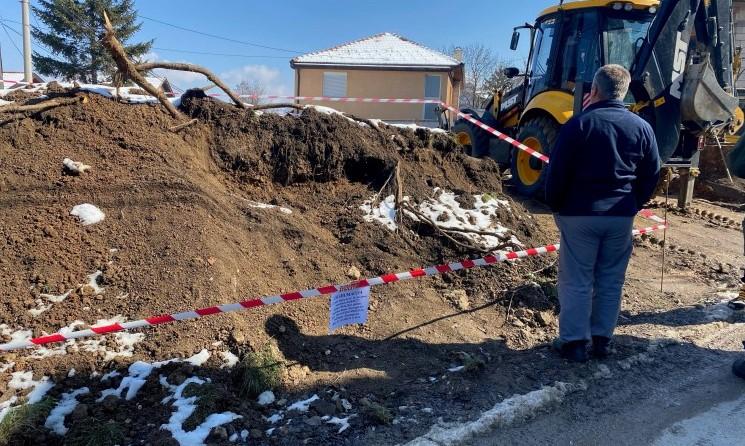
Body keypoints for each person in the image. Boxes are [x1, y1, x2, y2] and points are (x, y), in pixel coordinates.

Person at [545, 64, 661, 362]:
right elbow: (652, 174)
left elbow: (556, 173)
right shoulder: (642, 128)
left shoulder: (578, 125)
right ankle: (601, 342)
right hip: (620, 215)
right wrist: (634, 203)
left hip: (579, 215)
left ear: (593, 91)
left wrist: (556, 205)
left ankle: (573, 344)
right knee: (610, 279)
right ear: (623, 92)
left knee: (576, 279)